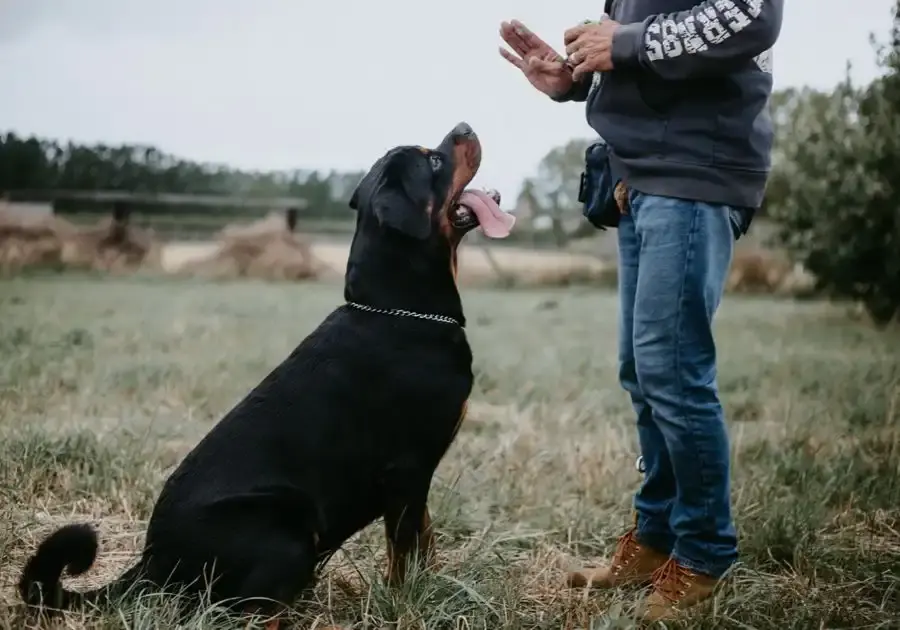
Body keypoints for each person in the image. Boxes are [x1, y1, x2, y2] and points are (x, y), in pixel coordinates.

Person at [499, 1, 783, 622]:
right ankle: (656, 538)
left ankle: (705, 555)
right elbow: (652, 52)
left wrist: (623, 43)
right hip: (641, 176)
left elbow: (749, 15)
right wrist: (578, 78)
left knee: (674, 372)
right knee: (644, 371)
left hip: (693, 173)